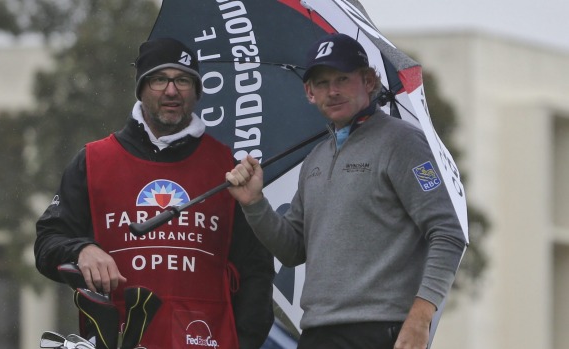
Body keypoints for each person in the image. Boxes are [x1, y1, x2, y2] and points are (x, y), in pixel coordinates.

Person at [226, 33, 467, 349]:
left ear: (369, 81)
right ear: (309, 92)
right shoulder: (316, 157)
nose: (333, 90)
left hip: (380, 332)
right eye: (322, 83)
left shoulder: (402, 142)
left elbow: (448, 233)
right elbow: (292, 250)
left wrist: (421, 317)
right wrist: (254, 203)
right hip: (316, 332)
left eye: (343, 78)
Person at [35, 37, 275, 349]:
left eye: (183, 80)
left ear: (197, 91)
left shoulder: (231, 173)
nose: (171, 90)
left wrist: (242, 343)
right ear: (142, 88)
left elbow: (257, 273)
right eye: (159, 79)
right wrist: (80, 250)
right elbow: (47, 243)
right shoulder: (92, 161)